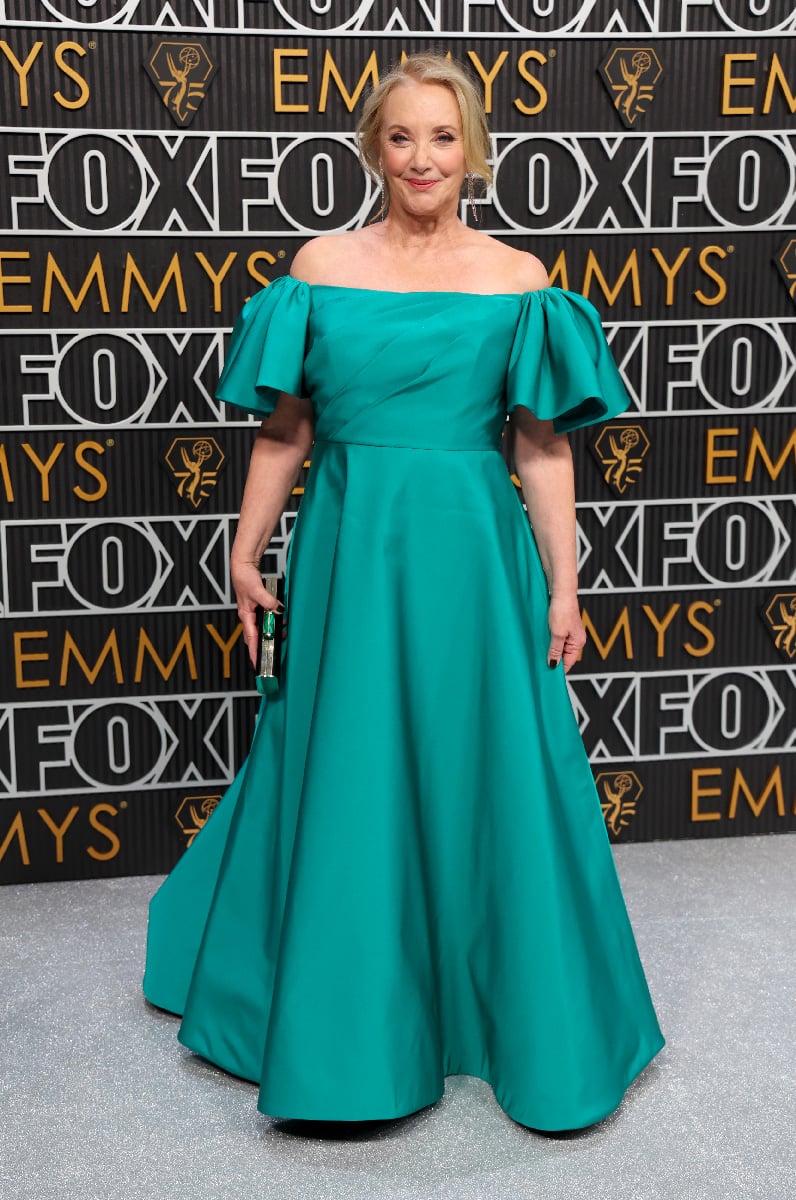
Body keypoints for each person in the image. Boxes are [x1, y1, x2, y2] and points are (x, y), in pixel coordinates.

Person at [143, 53, 664, 1133]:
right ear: (373, 151)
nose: (422, 158)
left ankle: (510, 1023)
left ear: (472, 151)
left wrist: (565, 586)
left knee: (488, 768)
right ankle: (350, 1040)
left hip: (473, 559)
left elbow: (542, 448)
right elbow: (285, 428)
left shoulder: (520, 279)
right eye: (400, 137)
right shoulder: (319, 266)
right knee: (352, 765)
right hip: (351, 550)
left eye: (442, 137)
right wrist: (244, 551)